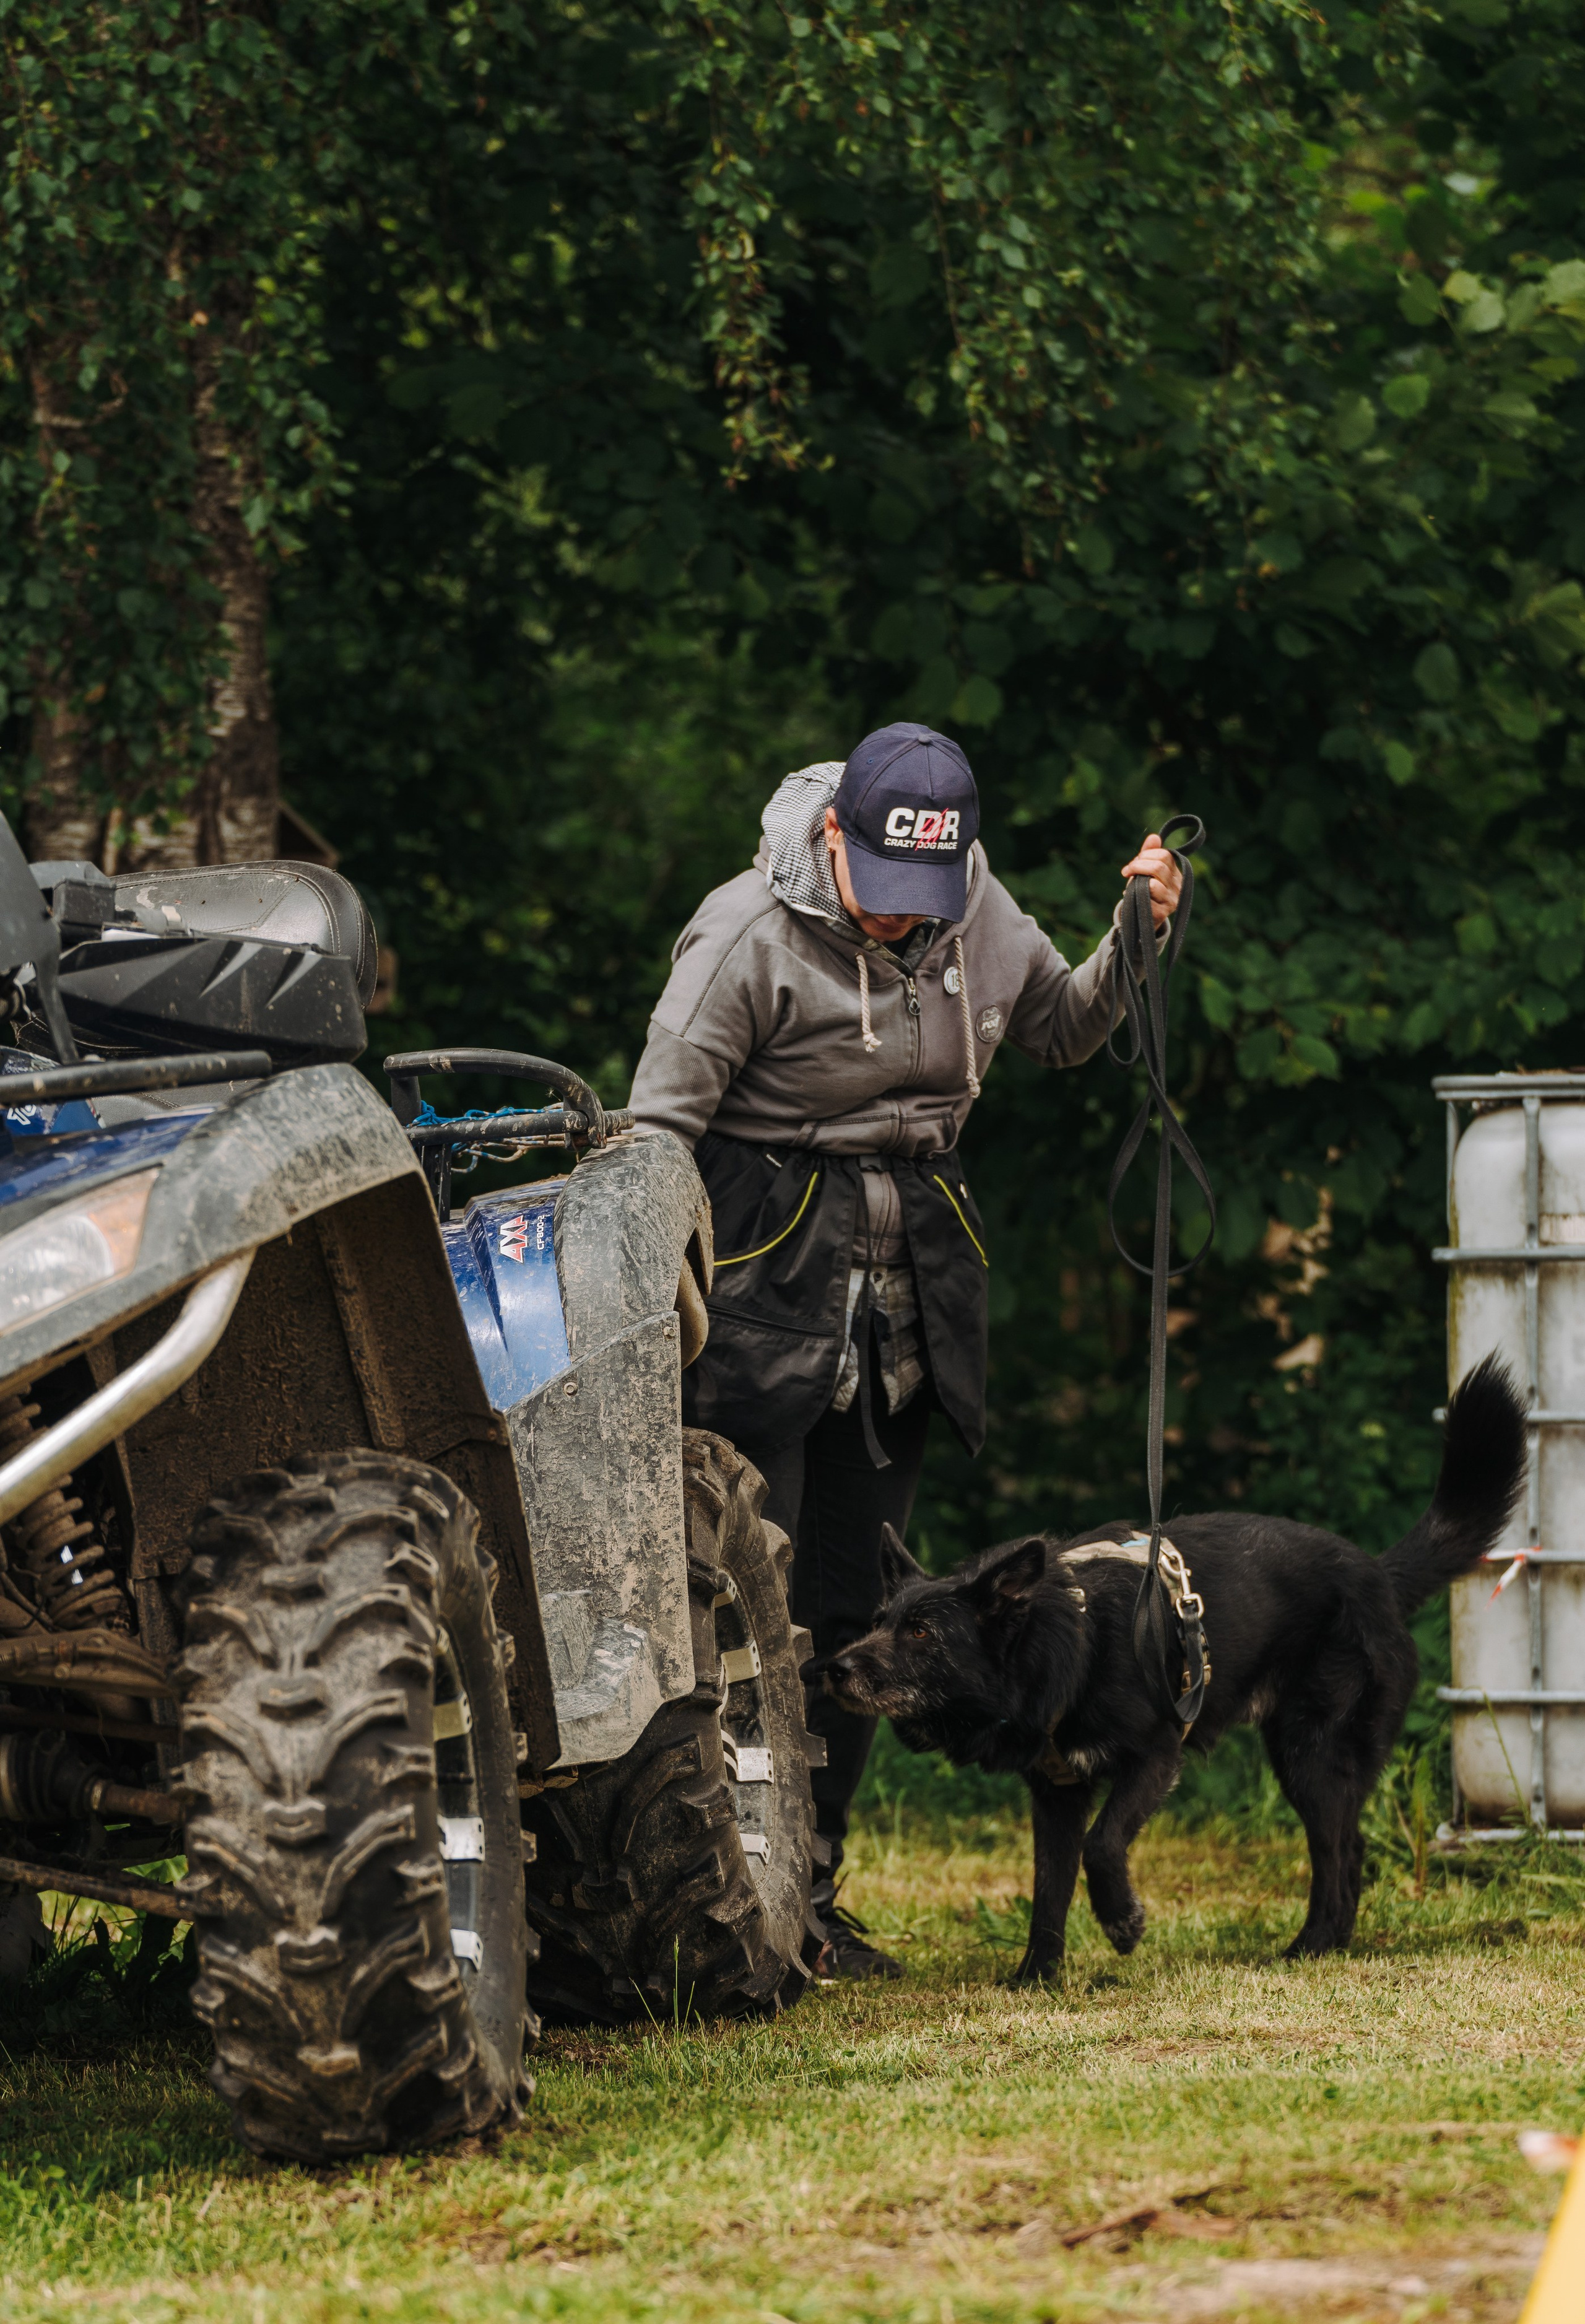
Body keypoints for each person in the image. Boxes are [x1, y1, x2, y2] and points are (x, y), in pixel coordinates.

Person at [628, 725, 1183, 1977]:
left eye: (922, 902)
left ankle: (810, 1897)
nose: (902, 925)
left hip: (902, 1292)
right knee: (741, 1598)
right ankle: (715, 1894)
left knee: (855, 1610)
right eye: (882, 897)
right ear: (835, 836)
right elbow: (652, 1135)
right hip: (757, 1278)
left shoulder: (968, 898)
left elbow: (1059, 1025)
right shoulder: (741, 936)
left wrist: (1134, 937)